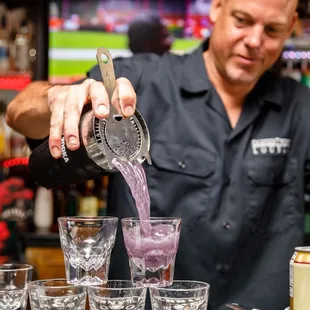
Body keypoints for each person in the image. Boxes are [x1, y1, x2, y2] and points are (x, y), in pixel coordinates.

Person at [5, 0, 305, 309]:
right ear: (217, 7)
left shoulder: (300, 107)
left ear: (292, 24)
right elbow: (18, 112)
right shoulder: (141, 81)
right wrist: (56, 97)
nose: (255, 41)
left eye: (272, 29)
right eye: (242, 20)